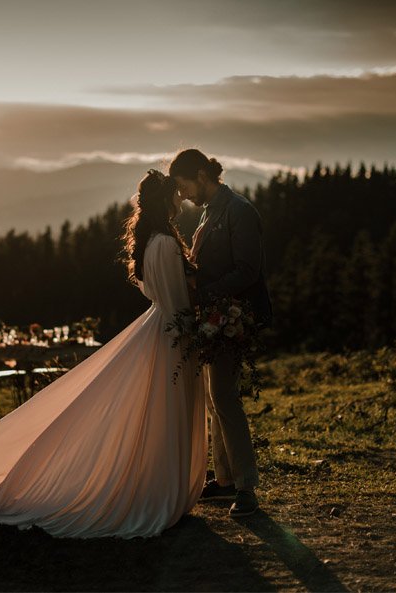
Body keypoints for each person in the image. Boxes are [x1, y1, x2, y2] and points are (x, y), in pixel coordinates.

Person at [0, 170, 208, 539]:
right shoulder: (164, 243)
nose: (180, 199)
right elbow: (176, 300)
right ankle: (156, 489)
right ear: (164, 201)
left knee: (155, 411)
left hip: (161, 329)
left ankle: (158, 482)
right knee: (162, 410)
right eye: (175, 195)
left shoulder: (153, 240)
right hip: (171, 335)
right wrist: (199, 323)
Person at [170, 149, 273, 518]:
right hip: (216, 315)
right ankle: (226, 479)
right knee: (216, 397)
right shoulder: (211, 211)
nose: (183, 195)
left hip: (234, 316)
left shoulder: (239, 211)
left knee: (226, 398)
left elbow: (248, 270)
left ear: (201, 174)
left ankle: (247, 487)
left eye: (184, 186)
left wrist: (206, 293)